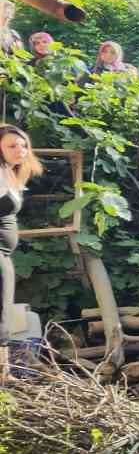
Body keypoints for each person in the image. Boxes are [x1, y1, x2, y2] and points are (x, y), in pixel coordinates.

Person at [0, 125, 44, 383]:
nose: (20, 150)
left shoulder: (9, 172)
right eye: (12, 145)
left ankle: (4, 371)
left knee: (3, 309)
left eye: (23, 145)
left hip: (4, 253)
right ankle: (3, 373)